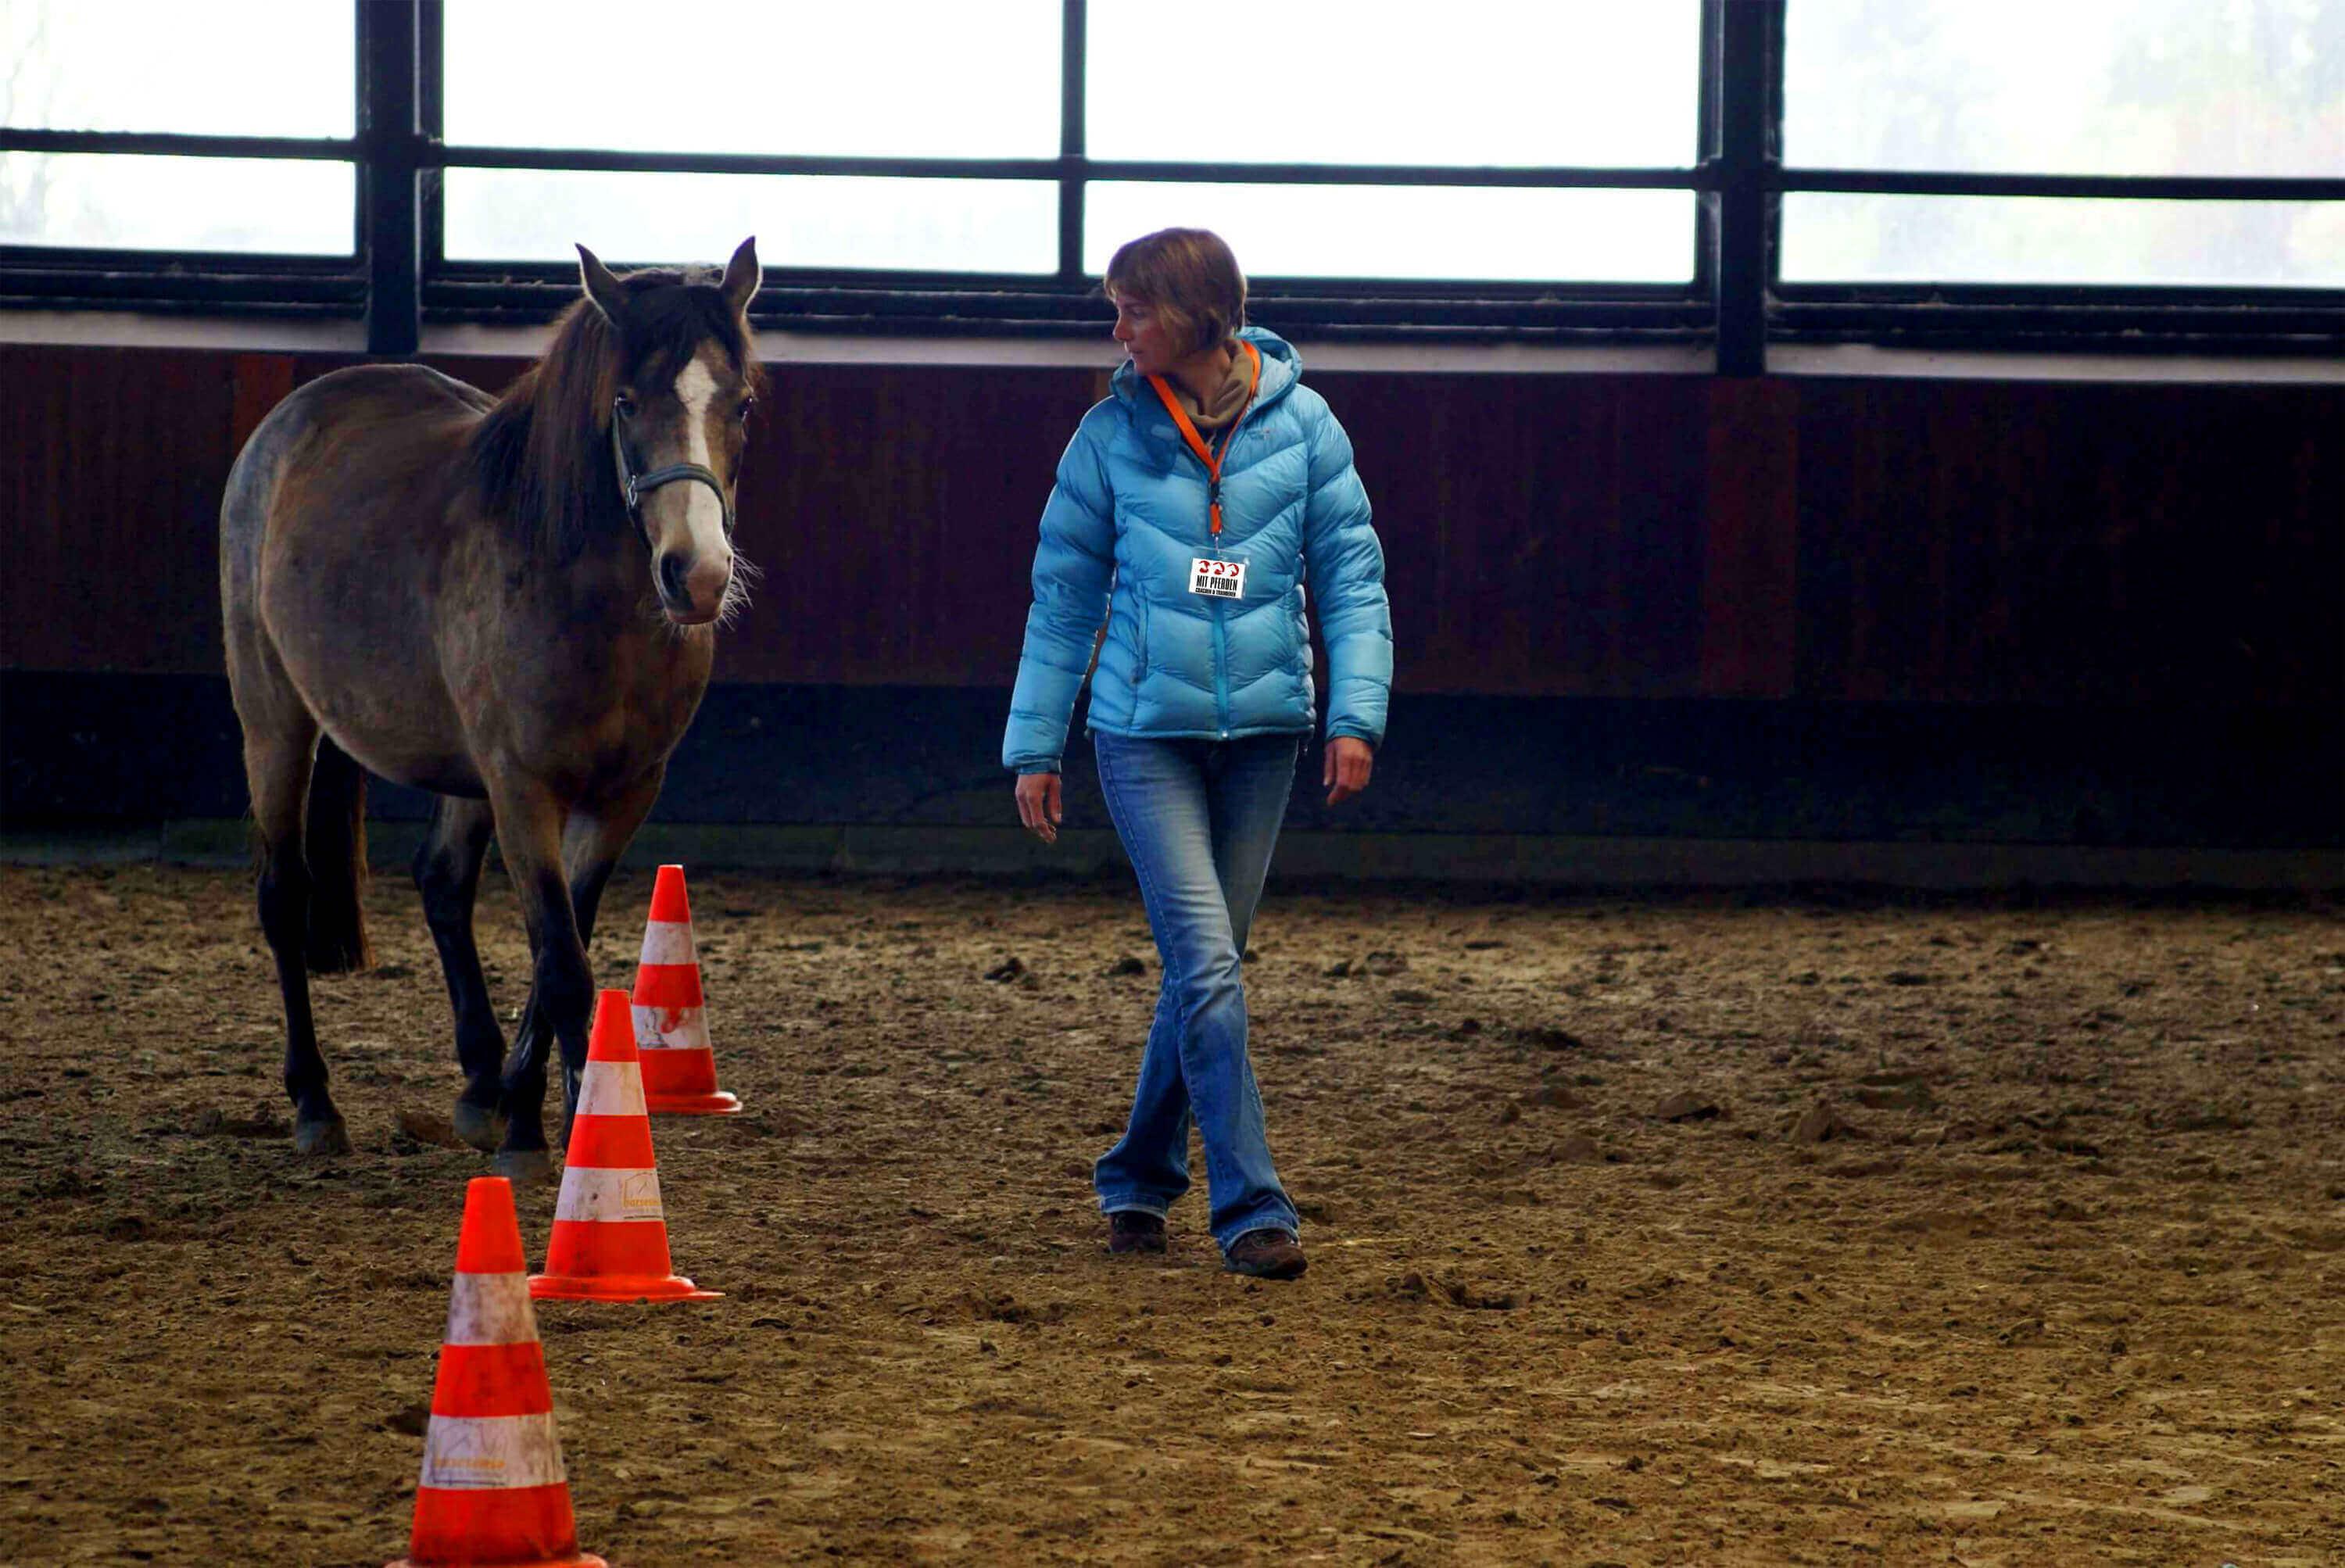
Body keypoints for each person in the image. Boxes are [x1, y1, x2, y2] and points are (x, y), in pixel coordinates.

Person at [1002, 227, 1393, 1281]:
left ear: (1200, 319)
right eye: (1115, 308)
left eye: (1135, 309)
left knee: (1198, 971)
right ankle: (1253, 1207)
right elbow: (1063, 596)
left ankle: (1135, 1173)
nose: (1116, 329)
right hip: (1140, 734)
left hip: (1267, 736)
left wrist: (1355, 713)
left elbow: (1353, 580)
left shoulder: (1307, 428)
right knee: (1211, 965)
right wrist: (1037, 739)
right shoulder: (1105, 438)